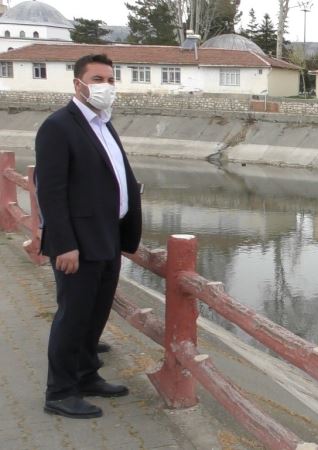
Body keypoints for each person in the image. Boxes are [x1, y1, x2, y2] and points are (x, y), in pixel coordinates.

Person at [35, 54, 142, 419]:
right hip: (76, 243)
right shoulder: (58, 126)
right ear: (78, 83)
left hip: (107, 236)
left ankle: (85, 374)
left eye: (111, 80)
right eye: (98, 78)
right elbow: (50, 191)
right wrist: (64, 244)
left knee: (95, 315)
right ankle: (60, 392)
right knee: (73, 317)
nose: (106, 87)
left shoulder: (103, 124)